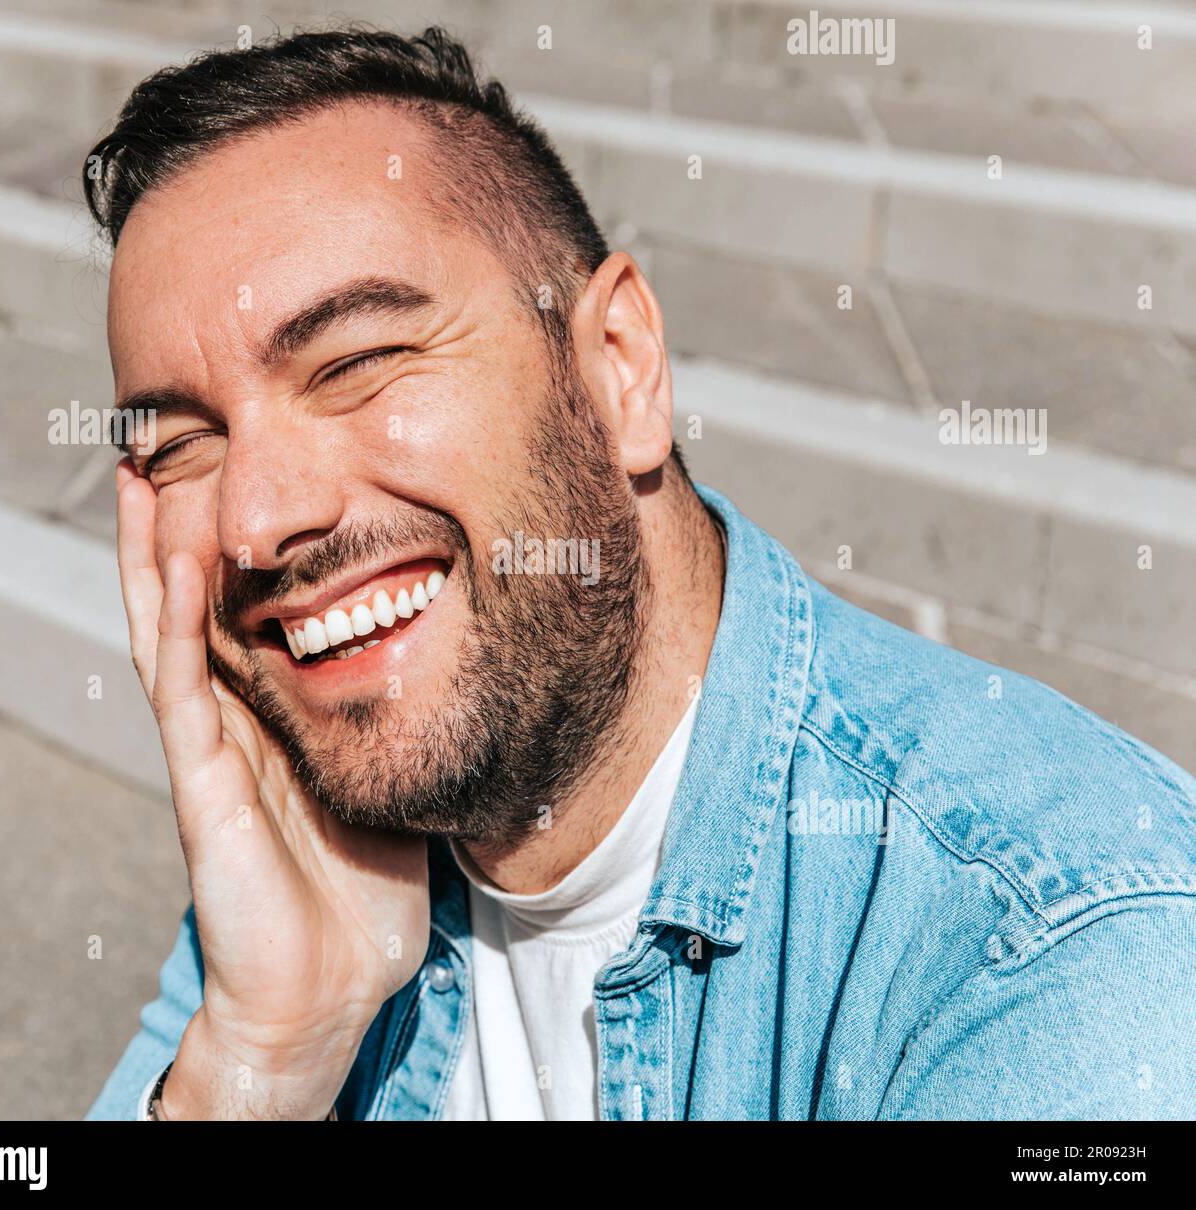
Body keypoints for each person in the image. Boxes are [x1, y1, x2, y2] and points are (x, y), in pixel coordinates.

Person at [85, 27, 1196, 1121]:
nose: (260, 520)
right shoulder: (307, 861)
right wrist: (261, 1062)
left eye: (358, 361)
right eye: (181, 444)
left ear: (618, 368)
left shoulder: (1056, 939)